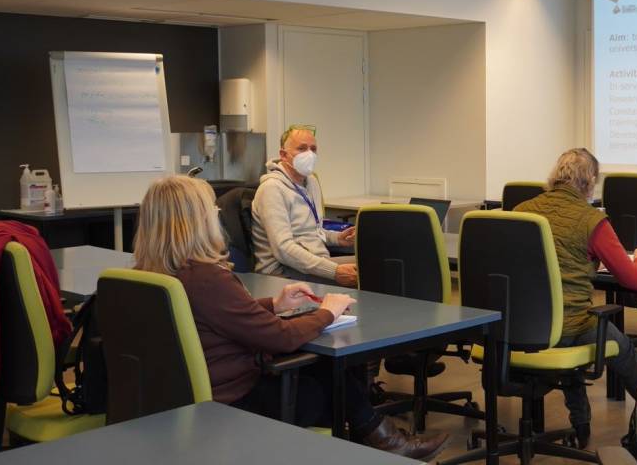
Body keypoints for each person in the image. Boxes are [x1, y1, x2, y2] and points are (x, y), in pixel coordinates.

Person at [133, 176, 448, 460]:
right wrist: (328, 311)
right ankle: (382, 441)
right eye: (211, 210)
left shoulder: (146, 276)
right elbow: (280, 338)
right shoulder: (207, 278)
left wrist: (274, 303)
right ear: (194, 222)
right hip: (233, 404)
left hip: (175, 401)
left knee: (320, 367)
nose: (217, 215)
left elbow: (214, 314)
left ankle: (381, 439)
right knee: (329, 371)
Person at [514, 148, 637, 447]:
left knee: (573, 325)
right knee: (622, 347)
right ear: (589, 181)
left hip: (522, 328)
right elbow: (633, 280)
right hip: (567, 328)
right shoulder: (592, 221)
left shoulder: (521, 210)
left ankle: (581, 424)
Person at [253, 125, 358, 287]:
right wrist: (334, 271)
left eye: (313, 149)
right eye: (302, 148)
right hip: (282, 272)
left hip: (315, 262)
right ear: (283, 155)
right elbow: (284, 250)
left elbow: (312, 230)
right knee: (371, 271)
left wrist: (337, 238)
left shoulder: (311, 182)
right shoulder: (272, 189)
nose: (309, 154)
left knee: (377, 263)